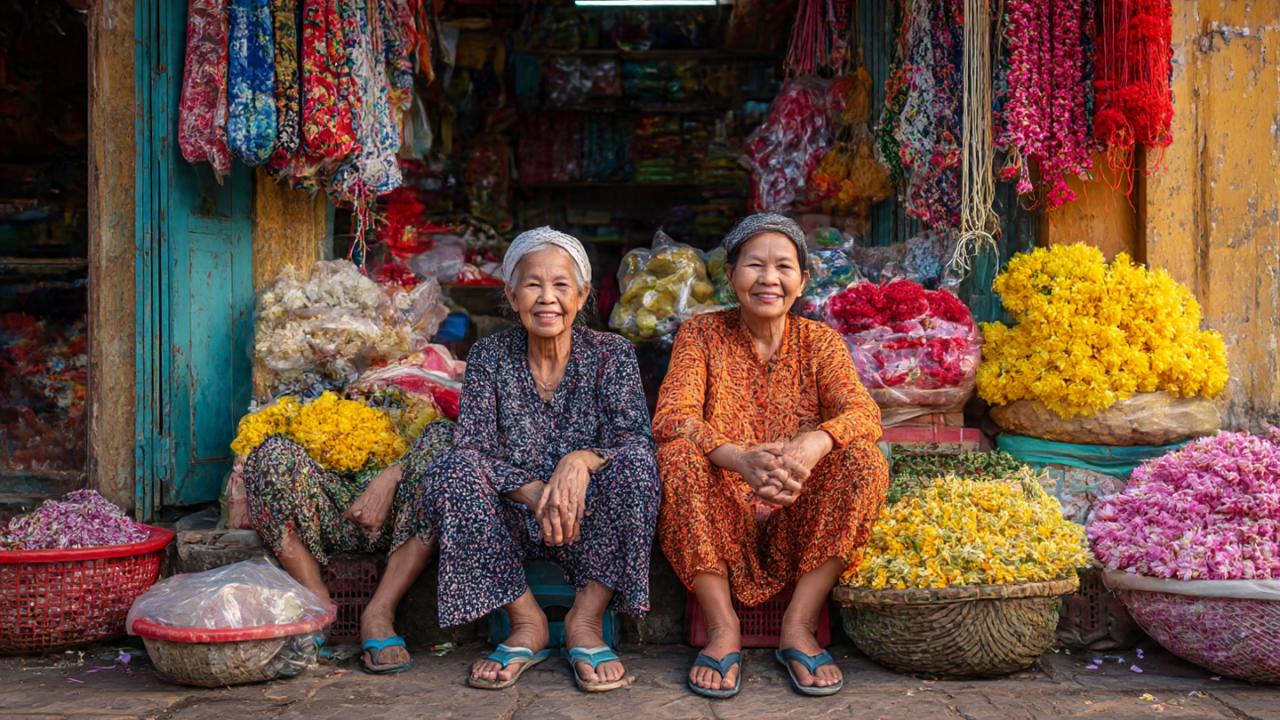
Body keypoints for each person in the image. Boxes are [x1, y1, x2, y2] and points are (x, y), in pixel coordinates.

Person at [653, 213, 889, 698]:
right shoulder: (700, 335)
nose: (768, 278)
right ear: (731, 274)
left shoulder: (819, 342)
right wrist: (738, 459)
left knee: (865, 458)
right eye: (754, 265)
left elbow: (863, 411)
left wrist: (814, 442)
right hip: (723, 513)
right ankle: (723, 629)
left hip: (799, 515)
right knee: (677, 456)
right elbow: (672, 416)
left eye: (783, 267)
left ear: (802, 281)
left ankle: (798, 626)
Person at [421, 227, 660, 693]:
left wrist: (581, 460)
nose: (547, 298)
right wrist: (531, 493)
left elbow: (635, 440)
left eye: (561, 285)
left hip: (588, 521)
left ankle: (585, 622)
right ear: (511, 295)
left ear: (583, 294)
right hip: (513, 519)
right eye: (532, 285)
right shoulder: (490, 355)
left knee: (639, 467)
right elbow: (471, 446)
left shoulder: (612, 354)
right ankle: (526, 621)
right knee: (451, 471)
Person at [243, 422, 454, 674]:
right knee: (269, 453)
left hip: (400, 505)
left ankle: (379, 613)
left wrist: (393, 473)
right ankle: (318, 603)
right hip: (320, 505)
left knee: (445, 437)